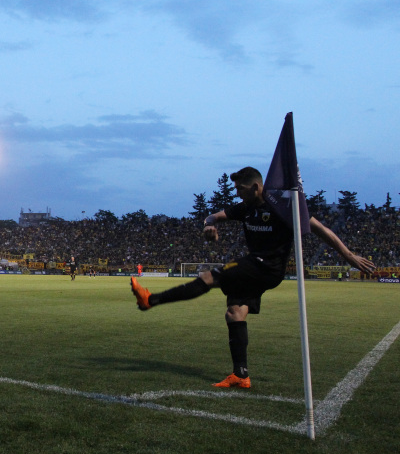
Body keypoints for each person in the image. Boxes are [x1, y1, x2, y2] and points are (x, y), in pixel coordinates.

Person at [129, 167, 375, 389]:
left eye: (240, 189)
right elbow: (214, 216)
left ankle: (150, 300)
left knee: (209, 276)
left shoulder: (282, 206)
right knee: (234, 313)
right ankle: (240, 375)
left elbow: (321, 230)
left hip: (268, 267)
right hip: (256, 268)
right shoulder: (246, 207)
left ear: (256, 187)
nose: (237, 194)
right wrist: (208, 225)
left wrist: (349, 254)